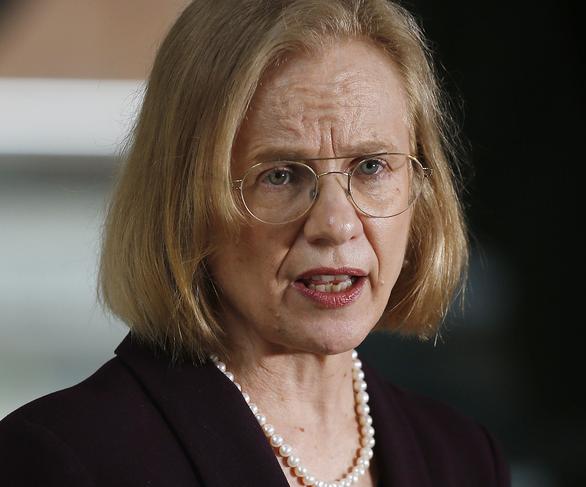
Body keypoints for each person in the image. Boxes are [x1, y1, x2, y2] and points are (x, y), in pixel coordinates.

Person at [0, 1, 509, 485]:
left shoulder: (464, 458)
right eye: (282, 175)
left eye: (371, 166)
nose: (336, 224)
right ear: (186, 202)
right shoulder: (67, 459)